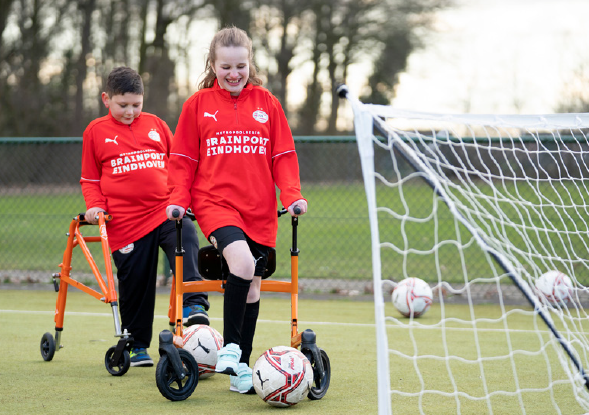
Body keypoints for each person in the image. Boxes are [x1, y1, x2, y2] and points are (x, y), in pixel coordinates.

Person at [166, 26, 307, 394]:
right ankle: (230, 348)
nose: (233, 74)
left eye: (240, 66)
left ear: (249, 64)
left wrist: (291, 195)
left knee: (252, 289)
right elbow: (182, 159)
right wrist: (178, 199)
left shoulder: (267, 103)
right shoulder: (196, 105)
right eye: (226, 66)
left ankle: (241, 370)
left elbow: (283, 156)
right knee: (242, 265)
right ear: (213, 65)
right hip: (215, 203)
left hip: (259, 209)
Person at [80, 66, 210, 368]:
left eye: (136, 105)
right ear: (106, 99)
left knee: (186, 232)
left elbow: (178, 162)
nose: (130, 111)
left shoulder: (156, 124)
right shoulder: (95, 132)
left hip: (163, 209)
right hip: (125, 223)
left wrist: (183, 194)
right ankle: (137, 345)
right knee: (135, 283)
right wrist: (94, 205)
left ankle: (193, 304)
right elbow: (90, 179)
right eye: (122, 105)